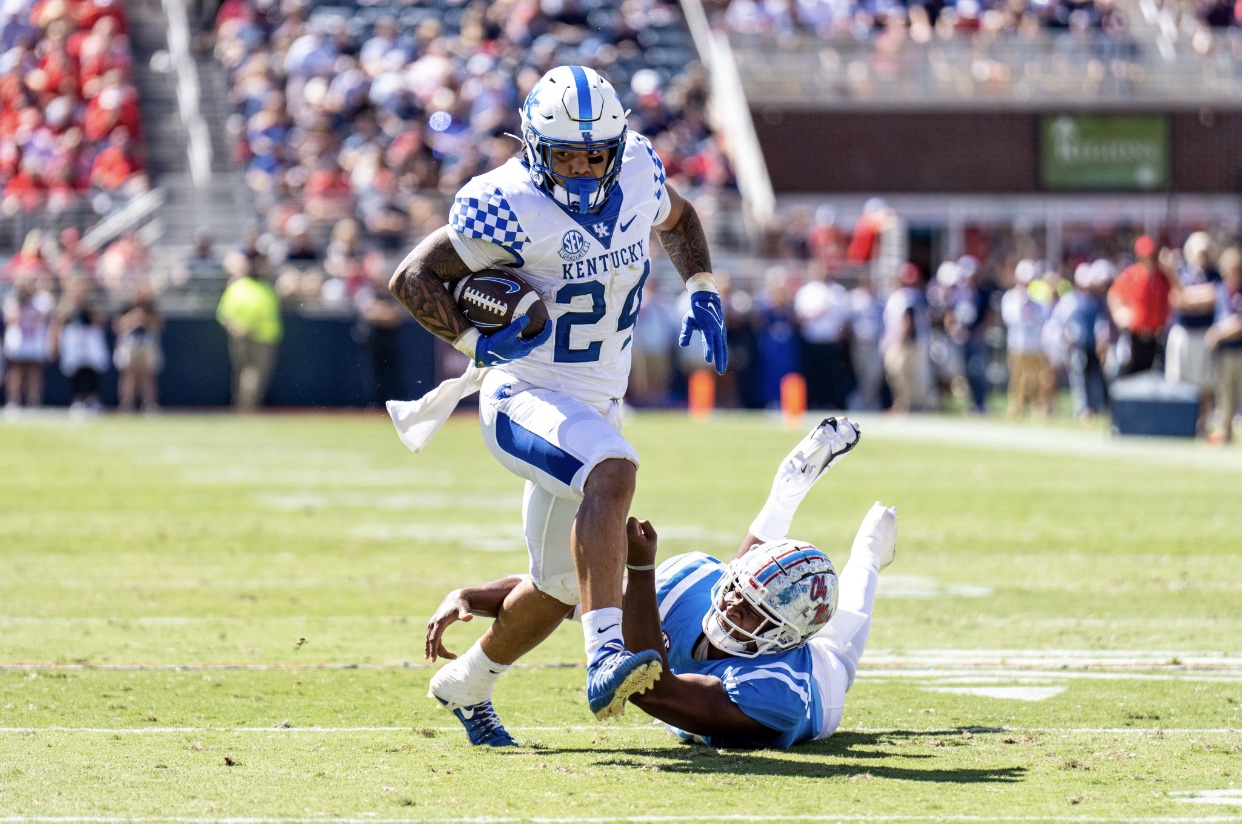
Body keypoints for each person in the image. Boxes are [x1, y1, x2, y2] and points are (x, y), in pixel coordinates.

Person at [386, 65, 729, 737]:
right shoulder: (506, 202)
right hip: (524, 392)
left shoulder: (638, 170)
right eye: (564, 154)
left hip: (597, 401)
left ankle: (466, 683)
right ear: (534, 146)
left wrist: (703, 287)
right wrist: (472, 342)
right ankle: (605, 656)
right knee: (613, 471)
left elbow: (680, 218)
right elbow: (414, 276)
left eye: (593, 154)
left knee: (559, 587)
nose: (579, 167)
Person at [426, 418, 898, 748]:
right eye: (736, 591)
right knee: (738, 585)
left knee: (852, 612)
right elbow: (576, 591)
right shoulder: (696, 582)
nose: (730, 606)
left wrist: (641, 570)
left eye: (751, 611)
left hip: (823, 683)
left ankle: (872, 550)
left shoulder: (778, 691)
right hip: (752, 614)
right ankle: (785, 494)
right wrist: (471, 595)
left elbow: (654, 690)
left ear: (781, 636)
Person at [1165, 232, 1221, 436]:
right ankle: (1178, 424)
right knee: (1178, 380)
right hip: (1183, 333)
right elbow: (1177, 300)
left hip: (1203, 334)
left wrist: (1187, 297)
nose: (1201, 257)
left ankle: (1202, 424)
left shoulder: (1215, 275)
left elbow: (1210, 298)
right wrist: (1186, 295)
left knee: (1204, 384)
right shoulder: (1183, 273)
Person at [216, 253, 283, 411]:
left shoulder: (263, 288)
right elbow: (224, 314)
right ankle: (247, 408)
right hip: (252, 339)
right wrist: (236, 328)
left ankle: (244, 406)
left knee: (248, 374)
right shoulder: (241, 287)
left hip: (262, 338)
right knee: (250, 374)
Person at [1108, 236, 1173, 377]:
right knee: (1132, 375)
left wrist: (1170, 268)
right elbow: (1114, 295)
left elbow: (1177, 293)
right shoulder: (1132, 275)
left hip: (1157, 336)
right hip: (1136, 336)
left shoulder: (1162, 277)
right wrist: (1119, 313)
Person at [1206, 248, 1242, 445]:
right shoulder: (1221, 290)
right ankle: (1224, 431)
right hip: (1225, 350)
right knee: (1225, 392)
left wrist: (1219, 333)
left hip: (1239, 348)